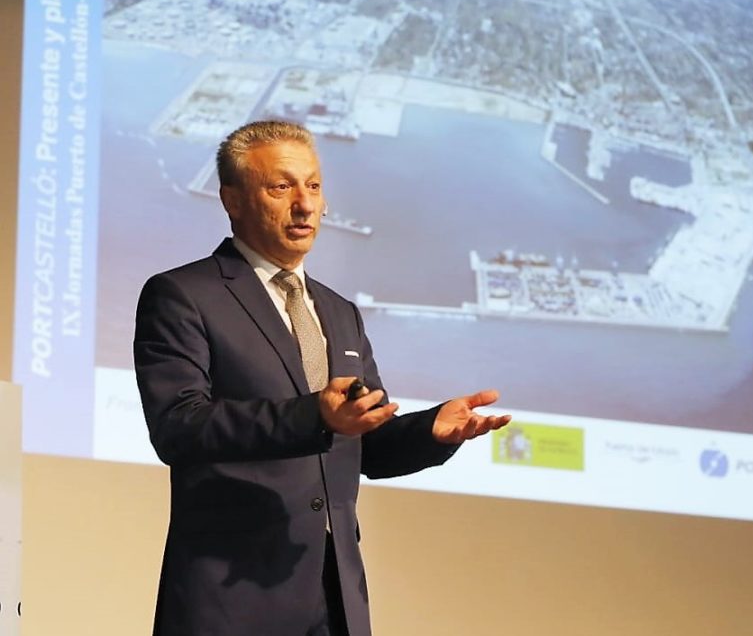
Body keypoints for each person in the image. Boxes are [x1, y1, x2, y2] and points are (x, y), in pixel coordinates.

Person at [134, 119, 510, 636]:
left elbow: (364, 444)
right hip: (230, 598)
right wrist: (314, 415)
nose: (305, 205)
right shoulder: (183, 295)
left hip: (334, 599)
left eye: (313, 186)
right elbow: (179, 426)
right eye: (281, 186)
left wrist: (431, 431)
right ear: (232, 200)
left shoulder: (339, 312)